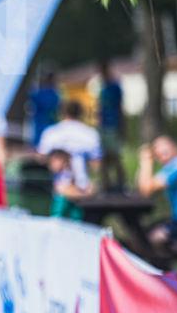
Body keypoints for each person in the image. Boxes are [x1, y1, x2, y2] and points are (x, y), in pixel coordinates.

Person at [37, 100, 101, 193]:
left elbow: (41, 158)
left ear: (61, 113)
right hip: (84, 187)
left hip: (59, 187)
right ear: (81, 113)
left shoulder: (51, 132)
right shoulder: (91, 133)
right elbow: (96, 164)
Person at [137, 136, 177, 249]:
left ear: (175, 149)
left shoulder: (176, 167)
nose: (163, 158)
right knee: (147, 231)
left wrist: (146, 161)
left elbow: (146, 189)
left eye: (165, 153)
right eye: (159, 155)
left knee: (149, 239)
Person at [97, 60, 126, 192]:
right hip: (103, 127)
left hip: (113, 126)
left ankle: (121, 183)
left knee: (115, 156)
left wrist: (121, 126)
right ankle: (106, 184)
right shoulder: (102, 88)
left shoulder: (115, 87)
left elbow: (120, 107)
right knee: (103, 157)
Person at [47, 149, 91, 220]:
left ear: (61, 160)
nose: (50, 165)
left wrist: (68, 191)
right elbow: (59, 189)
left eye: (53, 161)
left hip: (79, 203)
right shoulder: (59, 173)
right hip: (70, 201)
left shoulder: (77, 167)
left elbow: (85, 190)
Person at [27, 71, 60, 148]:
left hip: (42, 123)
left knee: (38, 145)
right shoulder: (55, 95)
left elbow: (31, 98)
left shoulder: (39, 93)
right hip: (48, 123)